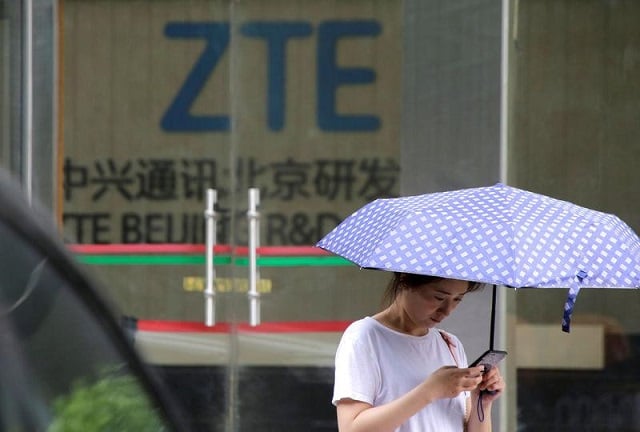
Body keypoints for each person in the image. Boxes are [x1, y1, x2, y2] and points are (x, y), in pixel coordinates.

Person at [332, 272, 505, 432]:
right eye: (439, 297)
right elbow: (350, 428)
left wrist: (481, 401)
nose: (447, 310)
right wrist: (430, 391)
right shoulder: (365, 337)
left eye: (457, 300)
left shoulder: (450, 344)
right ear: (405, 279)